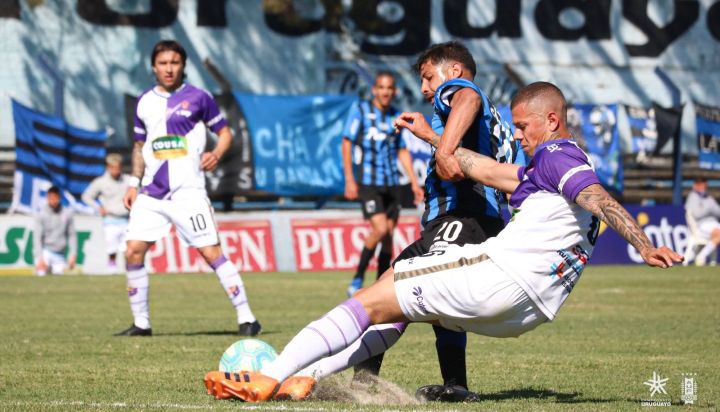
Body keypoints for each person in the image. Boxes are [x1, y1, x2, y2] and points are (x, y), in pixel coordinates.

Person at [202, 81, 682, 403]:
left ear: (552, 120)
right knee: (401, 308)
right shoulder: (544, 170)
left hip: (498, 278)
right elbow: (490, 170)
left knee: (370, 298)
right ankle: (305, 378)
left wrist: (641, 243)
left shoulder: (558, 154)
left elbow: (597, 196)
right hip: (527, 312)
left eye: (524, 126)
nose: (520, 135)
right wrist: (433, 137)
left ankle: (269, 378)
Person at [349, 41, 527, 398]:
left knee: (392, 290)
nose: (426, 89)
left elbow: (466, 98)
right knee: (426, 298)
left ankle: (361, 383)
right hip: (469, 217)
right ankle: (453, 386)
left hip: (464, 214)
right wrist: (434, 139)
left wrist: (443, 149)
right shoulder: (491, 119)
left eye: (429, 78)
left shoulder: (460, 90)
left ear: (453, 71)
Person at [116, 40, 260, 337]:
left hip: (189, 193)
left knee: (211, 253)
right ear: (154, 67)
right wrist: (133, 183)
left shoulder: (199, 97)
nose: (169, 68)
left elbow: (225, 133)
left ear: (183, 66)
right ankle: (141, 323)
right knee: (133, 251)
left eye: (175, 62)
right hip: (151, 193)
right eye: (163, 63)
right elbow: (139, 146)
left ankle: (248, 318)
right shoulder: (144, 101)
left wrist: (216, 154)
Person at [342, 71, 423, 298]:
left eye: (389, 88)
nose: (385, 92)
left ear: (394, 91)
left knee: (389, 235)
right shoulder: (360, 110)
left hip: (392, 184)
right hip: (369, 183)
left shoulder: (397, 115)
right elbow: (346, 143)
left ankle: (378, 285)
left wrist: (415, 184)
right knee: (380, 229)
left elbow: (402, 150)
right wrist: (349, 179)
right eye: (381, 87)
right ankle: (357, 276)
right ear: (374, 90)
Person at [82, 153, 130, 273]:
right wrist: (98, 207)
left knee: (127, 249)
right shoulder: (100, 182)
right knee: (112, 249)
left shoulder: (128, 180)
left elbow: (138, 193)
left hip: (126, 219)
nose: (116, 170)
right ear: (108, 167)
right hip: (110, 220)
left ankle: (129, 271)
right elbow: (86, 196)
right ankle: (112, 269)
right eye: (113, 167)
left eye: (118, 167)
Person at [33, 186, 76, 276]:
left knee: (59, 282)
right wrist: (40, 258)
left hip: (60, 254)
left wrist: (72, 254)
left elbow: (72, 235)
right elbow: (37, 238)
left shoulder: (67, 213)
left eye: (55, 198)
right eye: (50, 198)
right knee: (41, 273)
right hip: (46, 252)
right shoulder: (41, 214)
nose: (53, 200)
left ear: (59, 198)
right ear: (47, 198)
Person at [684, 177, 720, 266]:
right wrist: (709, 207)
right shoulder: (692, 197)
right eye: (701, 186)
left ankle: (703, 257)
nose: (703, 188)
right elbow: (697, 214)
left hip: (714, 224)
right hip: (700, 225)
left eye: (704, 186)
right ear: (695, 186)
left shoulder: (708, 197)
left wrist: (709, 205)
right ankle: (701, 256)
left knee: (717, 234)